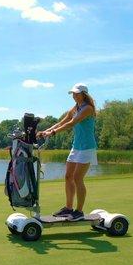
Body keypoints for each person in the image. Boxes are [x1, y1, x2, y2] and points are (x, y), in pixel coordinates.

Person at [37, 83, 97, 221]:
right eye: (73, 94)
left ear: (84, 94)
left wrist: (52, 133)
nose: (74, 96)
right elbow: (62, 121)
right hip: (76, 147)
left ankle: (79, 211)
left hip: (87, 147)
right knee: (68, 176)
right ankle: (68, 208)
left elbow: (71, 123)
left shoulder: (88, 108)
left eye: (76, 93)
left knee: (77, 178)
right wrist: (47, 131)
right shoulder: (75, 107)